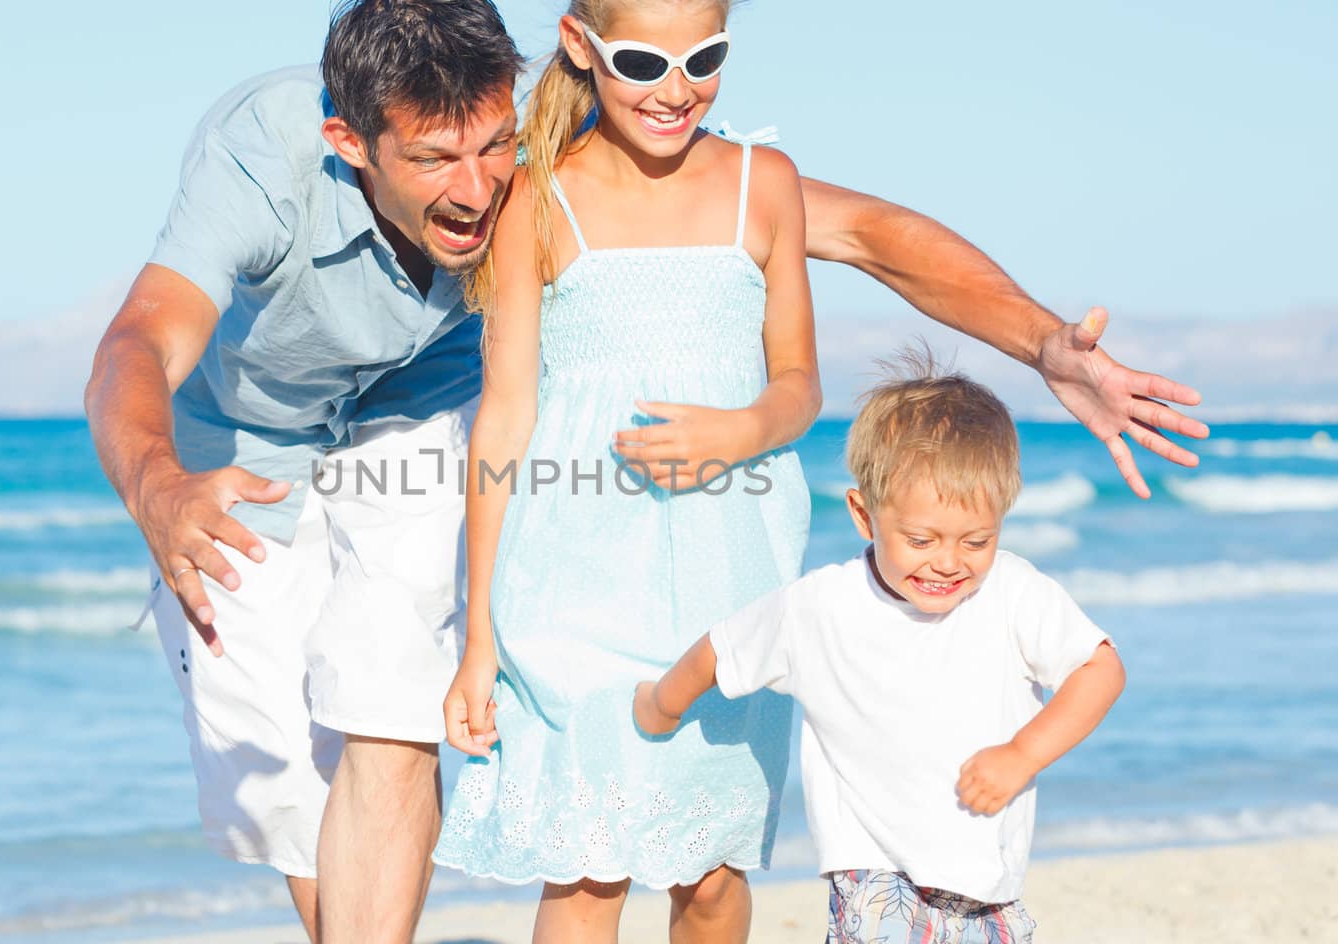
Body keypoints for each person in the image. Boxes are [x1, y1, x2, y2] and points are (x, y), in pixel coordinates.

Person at [83, 1, 1198, 940]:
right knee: (283, 794)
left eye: (489, 145)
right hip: (244, 438)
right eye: (433, 161)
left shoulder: (560, 150)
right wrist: (157, 483)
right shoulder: (274, 157)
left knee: (391, 711)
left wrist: (1045, 341)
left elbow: (865, 237)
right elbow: (141, 337)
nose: (476, 186)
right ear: (351, 142)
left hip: (432, 424)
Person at [432, 1, 813, 940]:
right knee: (588, 871)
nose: (677, 89)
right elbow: (505, 419)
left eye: (705, 57)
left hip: (733, 574)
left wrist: (743, 430)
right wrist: (477, 639)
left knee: (711, 878)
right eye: (643, 61)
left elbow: (801, 385)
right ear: (581, 45)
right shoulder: (535, 194)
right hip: (571, 579)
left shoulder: (765, 184)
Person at [634, 352, 1127, 943]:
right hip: (872, 879)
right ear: (864, 516)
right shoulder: (820, 607)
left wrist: (1023, 753)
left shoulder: (1013, 592)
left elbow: (1100, 669)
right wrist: (661, 704)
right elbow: (720, 650)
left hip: (986, 886)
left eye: (977, 540)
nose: (948, 562)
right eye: (921, 539)